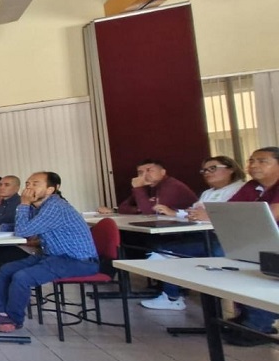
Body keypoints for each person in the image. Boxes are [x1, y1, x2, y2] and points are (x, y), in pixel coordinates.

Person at [0, 172, 98, 333]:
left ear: (50, 190)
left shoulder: (55, 207)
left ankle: (13, 320)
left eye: (35, 184)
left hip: (78, 261)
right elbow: (22, 225)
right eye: (28, 184)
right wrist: (0, 227)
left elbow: (23, 231)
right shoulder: (38, 207)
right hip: (52, 256)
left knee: (22, 277)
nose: (29, 188)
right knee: (7, 269)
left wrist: (23, 204)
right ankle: (0, 313)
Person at [140, 156, 245, 311]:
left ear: (230, 169)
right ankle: (174, 292)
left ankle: (172, 297)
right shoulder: (208, 193)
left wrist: (209, 216)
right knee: (160, 248)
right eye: (204, 170)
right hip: (203, 235)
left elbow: (238, 215)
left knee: (164, 253)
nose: (207, 173)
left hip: (226, 240)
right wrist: (176, 213)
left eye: (213, 168)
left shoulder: (240, 190)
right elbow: (194, 212)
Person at [212, 147, 279, 345]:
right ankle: (248, 315)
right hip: (258, 239)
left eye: (262, 161)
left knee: (257, 264)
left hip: (268, 242)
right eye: (251, 161)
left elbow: (271, 216)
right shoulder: (252, 186)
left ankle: (259, 323)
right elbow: (227, 212)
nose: (254, 165)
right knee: (233, 258)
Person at [98, 159, 198, 214]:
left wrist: (138, 188)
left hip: (188, 229)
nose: (144, 175)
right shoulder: (146, 186)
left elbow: (150, 213)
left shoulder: (172, 186)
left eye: (150, 170)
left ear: (163, 172)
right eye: (140, 172)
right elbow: (123, 207)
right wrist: (139, 209)